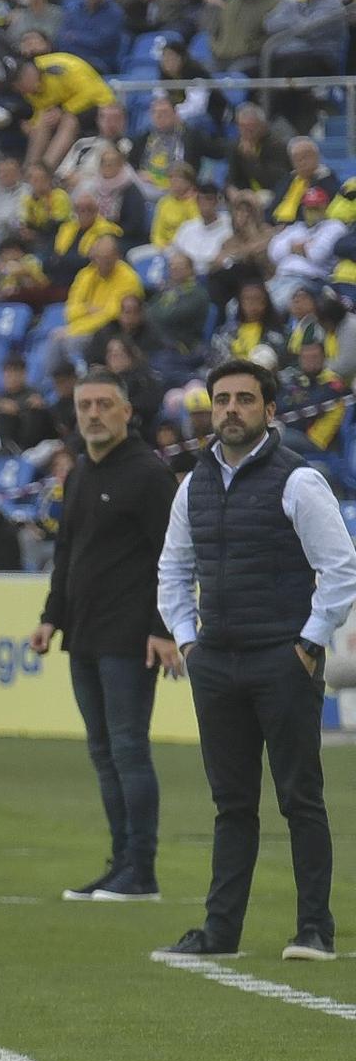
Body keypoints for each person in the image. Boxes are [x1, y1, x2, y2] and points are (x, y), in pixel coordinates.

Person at [155, 359, 356, 962]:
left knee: (300, 797)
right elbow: (173, 568)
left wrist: (309, 643)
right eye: (222, 400)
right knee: (232, 804)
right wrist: (188, 640)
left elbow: (340, 567)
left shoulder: (300, 480)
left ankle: (314, 930)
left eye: (245, 399)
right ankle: (220, 934)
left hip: (282, 659)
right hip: (216, 661)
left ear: (270, 412)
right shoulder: (193, 482)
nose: (231, 410)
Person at [30, 373, 182, 904]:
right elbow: (67, 554)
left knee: (128, 750)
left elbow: (174, 559)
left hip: (131, 637)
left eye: (103, 404)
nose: (93, 414)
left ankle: (142, 871)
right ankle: (120, 864)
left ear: (125, 412)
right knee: (103, 752)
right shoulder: (78, 475)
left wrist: (163, 629)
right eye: (84, 405)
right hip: (85, 634)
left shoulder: (148, 475)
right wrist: (52, 617)